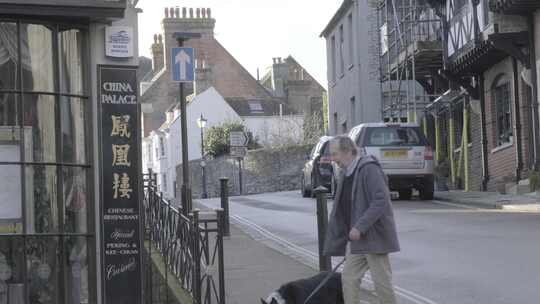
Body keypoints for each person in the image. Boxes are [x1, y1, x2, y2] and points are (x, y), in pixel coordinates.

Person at [324, 135, 400, 304]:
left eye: (335, 154)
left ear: (348, 151)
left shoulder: (369, 169)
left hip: (374, 238)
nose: (333, 159)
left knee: (382, 284)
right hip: (357, 241)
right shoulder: (346, 173)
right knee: (349, 278)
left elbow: (381, 201)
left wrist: (360, 227)